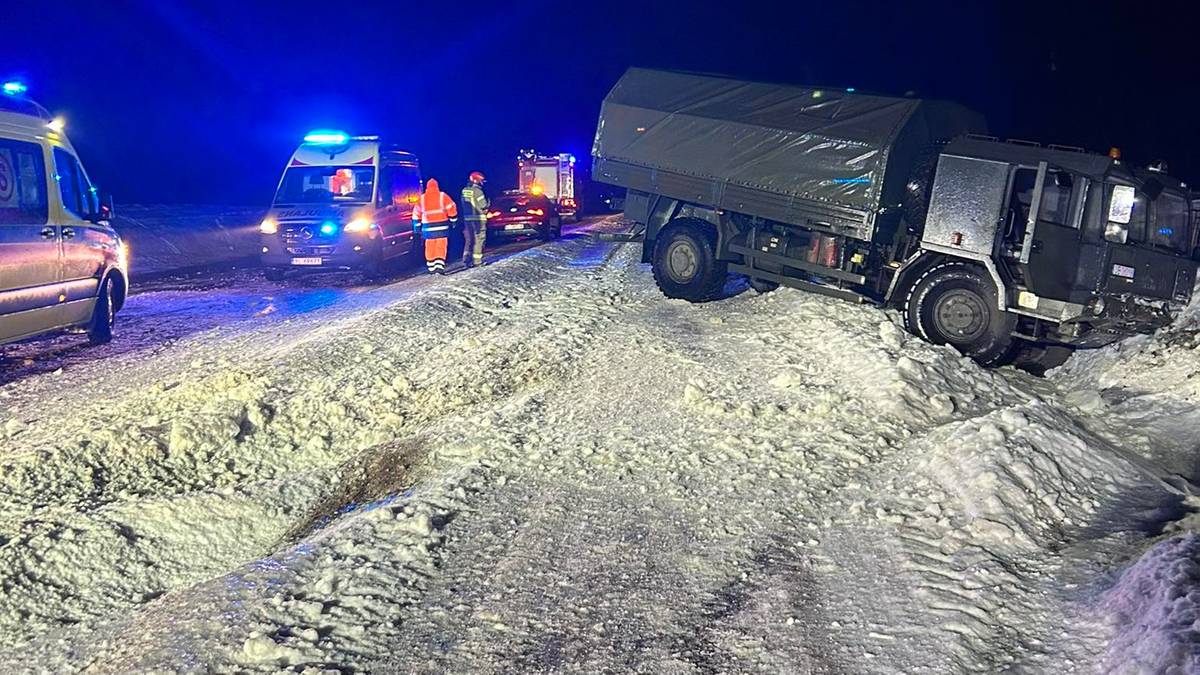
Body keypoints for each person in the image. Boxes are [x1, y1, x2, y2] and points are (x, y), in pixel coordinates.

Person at [412, 178, 459, 274]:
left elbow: (416, 214)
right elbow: (452, 208)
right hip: (442, 227)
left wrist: (417, 227)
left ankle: (431, 268)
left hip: (428, 229)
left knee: (429, 247)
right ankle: (439, 267)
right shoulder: (442, 196)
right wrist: (453, 221)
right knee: (441, 246)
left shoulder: (422, 198)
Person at [460, 171, 490, 268]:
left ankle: (466, 260)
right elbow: (483, 205)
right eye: (481, 181)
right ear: (477, 180)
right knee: (479, 240)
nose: (482, 183)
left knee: (469, 240)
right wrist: (488, 204)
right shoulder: (478, 191)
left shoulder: (464, 190)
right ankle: (477, 261)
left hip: (467, 220)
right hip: (478, 220)